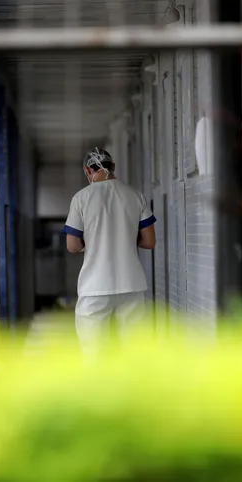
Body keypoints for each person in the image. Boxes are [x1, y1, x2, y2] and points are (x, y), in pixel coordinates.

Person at [63, 147, 156, 355]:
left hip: (94, 286)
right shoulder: (135, 195)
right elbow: (149, 242)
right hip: (131, 283)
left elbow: (72, 245)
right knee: (134, 350)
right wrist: (126, 238)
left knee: (93, 352)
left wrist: (90, 244)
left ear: (88, 170)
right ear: (113, 167)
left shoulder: (81, 198)